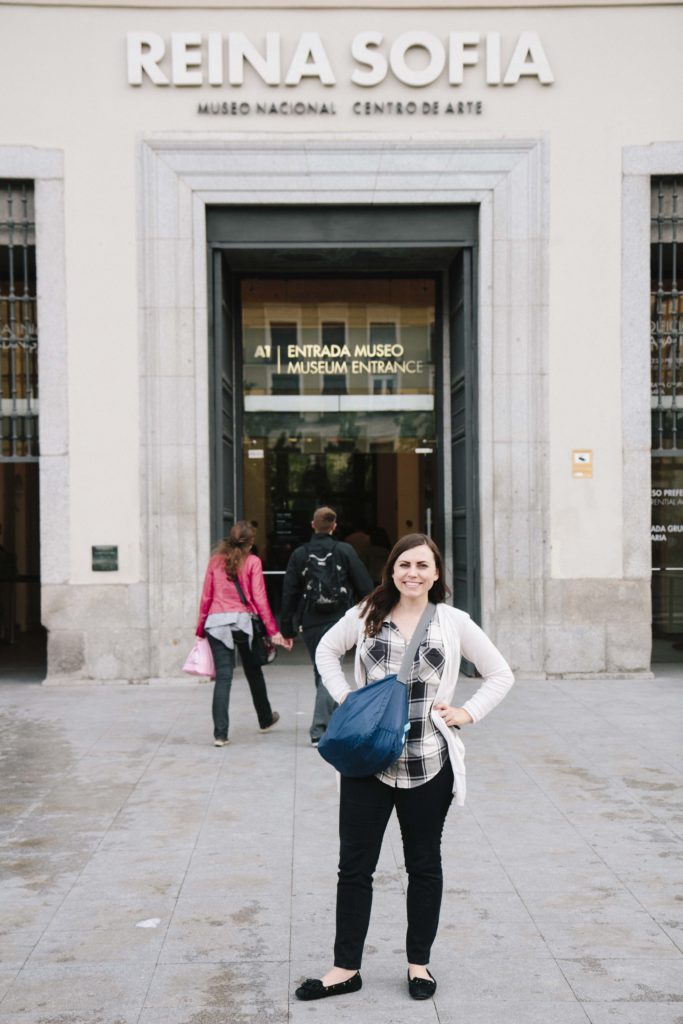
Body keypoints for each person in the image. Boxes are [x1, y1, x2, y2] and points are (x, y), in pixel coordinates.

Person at [295, 533, 514, 1002]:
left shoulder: (454, 623)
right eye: (403, 565)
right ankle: (344, 968)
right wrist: (347, 699)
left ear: (436, 574)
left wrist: (465, 713)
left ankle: (419, 964)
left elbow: (500, 673)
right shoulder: (366, 615)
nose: (412, 573)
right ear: (391, 571)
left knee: (423, 865)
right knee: (354, 866)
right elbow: (325, 653)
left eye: (422, 566)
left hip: (427, 762)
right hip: (367, 761)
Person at [280, 507, 374, 746]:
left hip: (310, 622)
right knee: (325, 671)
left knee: (323, 669)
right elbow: (364, 585)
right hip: (340, 621)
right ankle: (320, 728)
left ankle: (326, 724)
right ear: (334, 526)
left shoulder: (299, 554)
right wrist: (374, 614)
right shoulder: (345, 551)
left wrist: (287, 628)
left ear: (313, 525)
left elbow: (289, 592)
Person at [196, 520, 292, 746]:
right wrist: (273, 630)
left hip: (216, 624)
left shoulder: (215, 561)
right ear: (250, 543)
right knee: (253, 670)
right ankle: (265, 719)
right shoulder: (253, 562)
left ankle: (220, 734)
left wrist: (200, 630)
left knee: (223, 677)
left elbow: (206, 597)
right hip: (242, 623)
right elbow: (259, 599)